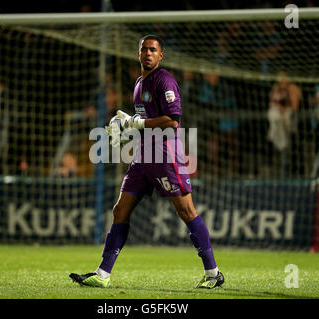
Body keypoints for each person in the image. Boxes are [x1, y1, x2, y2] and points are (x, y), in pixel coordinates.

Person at [70, 35, 224, 289]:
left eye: (153, 50)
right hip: (144, 155)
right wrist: (128, 133)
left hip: (165, 154)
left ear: (160, 55)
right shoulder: (139, 83)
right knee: (120, 210)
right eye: (144, 49)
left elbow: (172, 120)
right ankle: (102, 274)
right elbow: (143, 122)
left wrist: (137, 123)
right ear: (138, 53)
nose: (148, 53)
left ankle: (213, 273)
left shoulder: (165, 80)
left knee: (186, 211)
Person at [267, 71, 302, 177]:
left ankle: (291, 172)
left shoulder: (293, 89)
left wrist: (284, 105)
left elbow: (295, 107)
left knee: (289, 145)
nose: (281, 81)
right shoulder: (276, 88)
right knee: (274, 116)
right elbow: (271, 104)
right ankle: (275, 136)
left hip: (290, 119)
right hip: (278, 117)